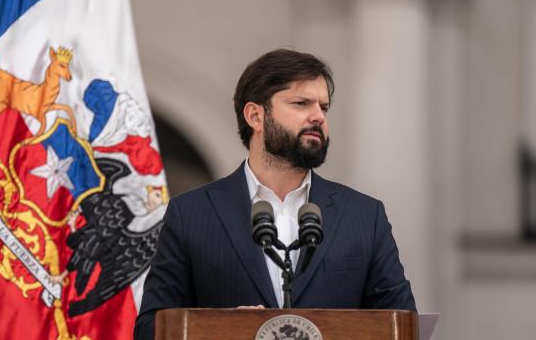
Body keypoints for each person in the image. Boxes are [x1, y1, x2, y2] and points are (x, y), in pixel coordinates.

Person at [134, 49, 416, 339]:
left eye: (323, 107)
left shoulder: (364, 216)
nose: (318, 116)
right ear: (255, 115)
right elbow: (150, 329)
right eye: (301, 103)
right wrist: (224, 327)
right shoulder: (190, 213)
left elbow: (402, 324)